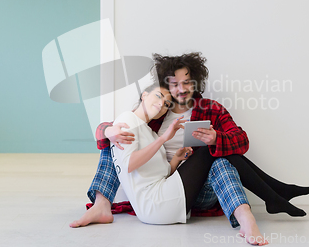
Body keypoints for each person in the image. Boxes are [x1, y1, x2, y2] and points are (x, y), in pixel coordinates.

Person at [70, 53, 309, 241]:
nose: (181, 89)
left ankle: (248, 215)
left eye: (187, 82)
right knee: (113, 142)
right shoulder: (156, 111)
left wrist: (216, 139)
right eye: (174, 84)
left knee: (218, 157)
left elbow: (242, 141)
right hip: (163, 188)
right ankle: (276, 193)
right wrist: (109, 131)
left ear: (195, 82)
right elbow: (109, 132)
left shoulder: (211, 108)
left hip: (204, 190)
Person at [105, 83, 269, 245]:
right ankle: (271, 193)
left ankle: (255, 209)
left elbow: (162, 174)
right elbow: (129, 165)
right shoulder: (127, 119)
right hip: (154, 204)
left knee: (218, 157)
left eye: (167, 104)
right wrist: (164, 138)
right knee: (208, 150)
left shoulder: (150, 132)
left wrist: (177, 158)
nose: (162, 105)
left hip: (160, 199)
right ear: (144, 95)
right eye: (158, 96)